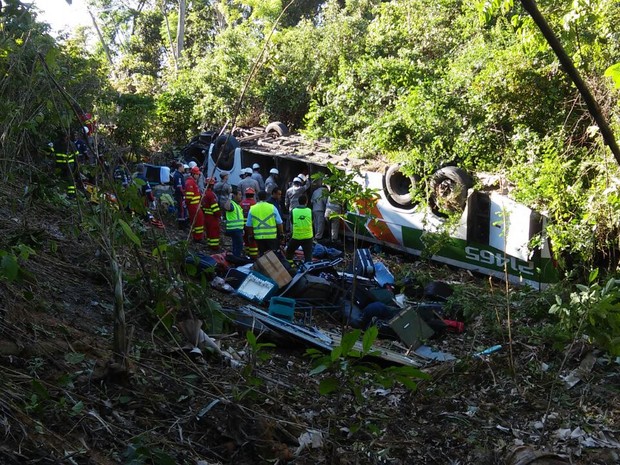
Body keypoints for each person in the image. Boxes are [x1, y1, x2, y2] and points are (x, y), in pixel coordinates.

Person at [246, 190, 284, 257]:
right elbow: (279, 222)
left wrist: (251, 235)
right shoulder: (272, 207)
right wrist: (281, 233)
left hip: (259, 236)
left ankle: (263, 266)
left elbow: (249, 225)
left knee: (262, 255)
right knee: (272, 256)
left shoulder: (252, 208)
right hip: (271, 236)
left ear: (257, 197)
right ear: (266, 197)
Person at [285, 194, 314, 265]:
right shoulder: (310, 211)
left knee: (289, 252)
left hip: (297, 236)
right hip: (308, 236)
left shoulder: (293, 211)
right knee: (308, 255)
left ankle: (291, 266)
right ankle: (308, 270)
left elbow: (292, 222)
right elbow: (312, 221)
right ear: (306, 202)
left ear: (298, 201)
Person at [52, 132, 78, 197]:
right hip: (59, 165)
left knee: (70, 179)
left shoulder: (71, 144)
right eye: (63, 137)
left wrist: (76, 165)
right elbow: (50, 150)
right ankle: (59, 193)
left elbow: (76, 155)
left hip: (69, 165)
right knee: (59, 178)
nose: (64, 138)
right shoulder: (56, 143)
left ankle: (71, 194)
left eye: (65, 137)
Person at [185, 166, 205, 242]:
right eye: (197, 174)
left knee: (198, 221)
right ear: (193, 174)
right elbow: (189, 196)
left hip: (196, 205)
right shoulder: (190, 182)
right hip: (193, 205)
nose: (198, 176)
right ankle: (198, 238)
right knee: (198, 222)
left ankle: (198, 236)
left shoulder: (193, 182)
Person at [224, 188, 245, 258]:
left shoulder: (237, 205)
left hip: (238, 229)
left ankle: (235, 258)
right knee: (239, 245)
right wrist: (229, 198)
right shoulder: (232, 204)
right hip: (234, 229)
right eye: (239, 195)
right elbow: (226, 207)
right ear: (234, 195)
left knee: (236, 245)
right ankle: (236, 260)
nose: (241, 196)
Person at [201, 177, 221, 250]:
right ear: (212, 185)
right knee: (214, 232)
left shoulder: (204, 193)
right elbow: (214, 207)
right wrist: (219, 215)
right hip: (212, 217)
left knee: (209, 231)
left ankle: (210, 245)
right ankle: (214, 247)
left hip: (206, 216)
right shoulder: (211, 194)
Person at [240, 188, 258, 259]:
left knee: (246, 239)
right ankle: (253, 256)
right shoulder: (254, 204)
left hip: (242, 225)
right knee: (252, 241)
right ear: (253, 195)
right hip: (251, 225)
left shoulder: (241, 203)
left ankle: (247, 254)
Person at [172, 162, 188, 229]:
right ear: (180, 167)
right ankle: (181, 225)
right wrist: (184, 193)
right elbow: (179, 187)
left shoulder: (180, 175)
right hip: (180, 195)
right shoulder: (178, 175)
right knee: (181, 209)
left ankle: (184, 223)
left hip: (181, 195)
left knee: (183, 209)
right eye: (183, 167)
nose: (184, 168)